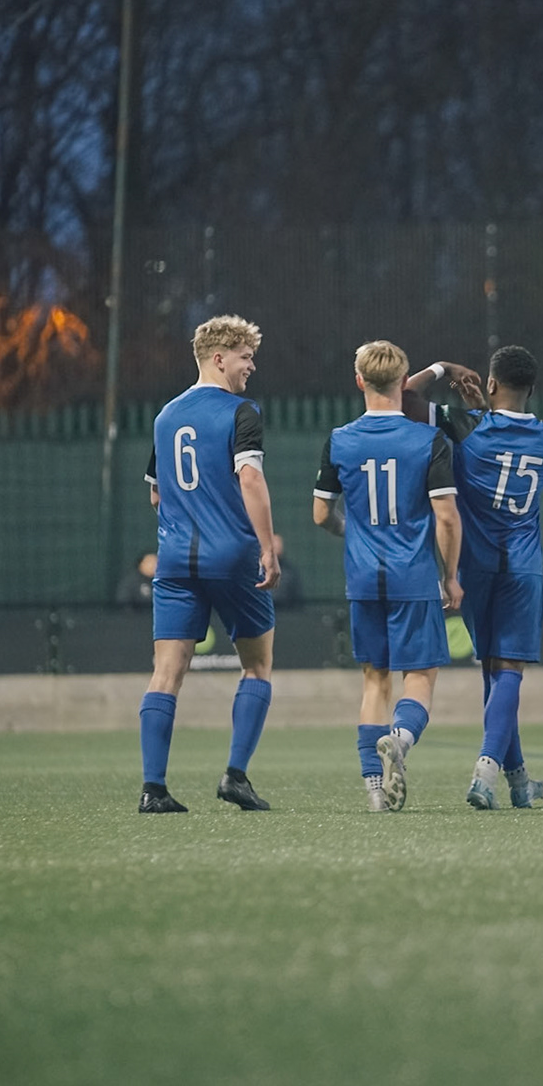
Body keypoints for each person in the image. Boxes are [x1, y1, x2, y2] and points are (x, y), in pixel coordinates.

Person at [137, 314, 281, 814]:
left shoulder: (166, 416)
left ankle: (153, 789)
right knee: (257, 666)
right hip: (232, 556)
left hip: (175, 560)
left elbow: (156, 494)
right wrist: (267, 547)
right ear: (219, 359)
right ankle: (235, 776)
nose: (252, 366)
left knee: (166, 673)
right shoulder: (242, 411)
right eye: (245, 357)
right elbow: (250, 479)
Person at [313, 339, 463, 813]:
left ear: (359, 381)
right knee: (419, 678)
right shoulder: (428, 440)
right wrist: (450, 576)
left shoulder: (340, 440)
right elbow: (446, 518)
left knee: (374, 681)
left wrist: (351, 531)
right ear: (403, 381)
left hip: (362, 578)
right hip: (412, 576)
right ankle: (400, 739)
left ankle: (375, 790)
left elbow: (321, 515)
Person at [407, 346, 543, 811]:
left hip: (473, 565)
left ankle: (517, 780)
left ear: (491, 384)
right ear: (532, 389)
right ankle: (487, 773)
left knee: (494, 670)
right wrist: (483, 410)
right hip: (523, 566)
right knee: (508, 670)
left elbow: (404, 396)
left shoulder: (467, 425)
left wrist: (444, 368)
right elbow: (505, 434)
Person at [268, 532, 305, 609]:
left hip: (286, 611)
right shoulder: (256, 570)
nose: (276, 547)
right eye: (274, 544)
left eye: (278, 544)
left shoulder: (290, 572)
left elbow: (296, 597)